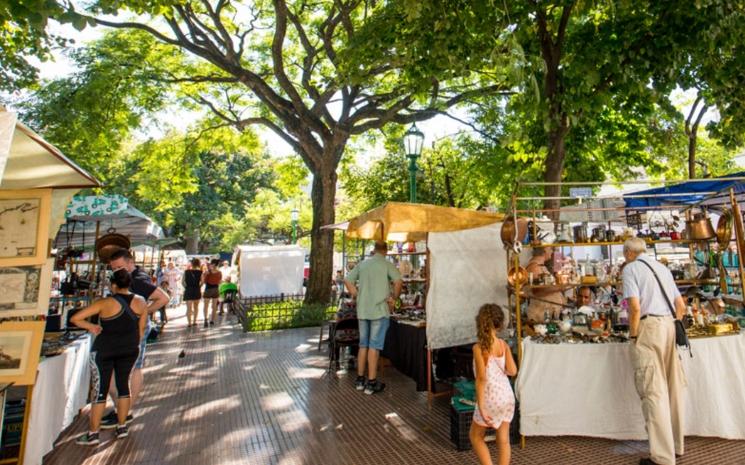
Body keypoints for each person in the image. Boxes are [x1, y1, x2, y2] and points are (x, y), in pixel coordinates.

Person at [622, 237, 686, 465]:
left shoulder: (631, 269)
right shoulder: (662, 268)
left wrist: (633, 334)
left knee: (653, 391)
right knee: (672, 388)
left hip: (649, 328)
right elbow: (681, 305)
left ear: (629, 252)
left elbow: (635, 308)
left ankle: (662, 457)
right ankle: (677, 446)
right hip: (669, 325)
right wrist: (673, 323)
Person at [71, 269, 148, 445]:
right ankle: (122, 427)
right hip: (129, 349)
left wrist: (92, 327)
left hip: (104, 349)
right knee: (123, 387)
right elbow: (141, 330)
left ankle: (93, 433)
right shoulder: (141, 301)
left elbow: (75, 318)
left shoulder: (105, 303)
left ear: (113, 285)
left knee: (100, 390)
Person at [101, 248, 169, 429]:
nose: (116, 271)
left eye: (119, 267)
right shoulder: (131, 278)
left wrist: (143, 312)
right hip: (127, 329)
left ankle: (125, 410)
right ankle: (122, 409)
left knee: (133, 368)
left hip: (134, 329)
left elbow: (163, 298)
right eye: (113, 268)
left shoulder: (138, 280)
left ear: (130, 263)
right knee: (127, 368)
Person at [344, 241, 402, 395]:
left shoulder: (363, 264)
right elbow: (398, 281)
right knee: (374, 346)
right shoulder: (386, 264)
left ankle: (360, 379)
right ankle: (371, 382)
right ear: (385, 251)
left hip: (363, 310)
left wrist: (356, 294)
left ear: (374, 250)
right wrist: (394, 297)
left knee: (363, 345)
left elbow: (348, 280)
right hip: (379, 310)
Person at [470, 303, 517, 465]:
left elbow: (481, 379)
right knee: (503, 440)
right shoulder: (503, 345)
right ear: (499, 324)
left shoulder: (478, 348)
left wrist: (481, 407)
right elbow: (513, 371)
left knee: (476, 436)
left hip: (490, 399)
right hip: (506, 396)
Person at [525, 247, 565, 322]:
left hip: (547, 316)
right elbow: (537, 291)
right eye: (551, 248)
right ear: (545, 249)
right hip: (540, 317)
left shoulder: (540, 266)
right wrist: (559, 288)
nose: (552, 251)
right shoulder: (534, 267)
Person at [202, 259, 222, 327]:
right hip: (215, 289)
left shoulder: (208, 272)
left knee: (206, 306)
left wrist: (205, 274)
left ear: (213, 264)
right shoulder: (219, 272)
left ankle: (205, 319)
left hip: (208, 289)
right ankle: (212, 321)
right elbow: (219, 282)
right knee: (214, 306)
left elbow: (204, 281)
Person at [183, 258, 203, 327]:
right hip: (196, 289)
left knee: (188, 308)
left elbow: (182, 282)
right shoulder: (200, 272)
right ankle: (194, 321)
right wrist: (199, 286)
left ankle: (189, 323)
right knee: (196, 307)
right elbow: (202, 282)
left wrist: (186, 287)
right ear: (198, 264)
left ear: (191, 264)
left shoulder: (186, 272)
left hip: (188, 289)